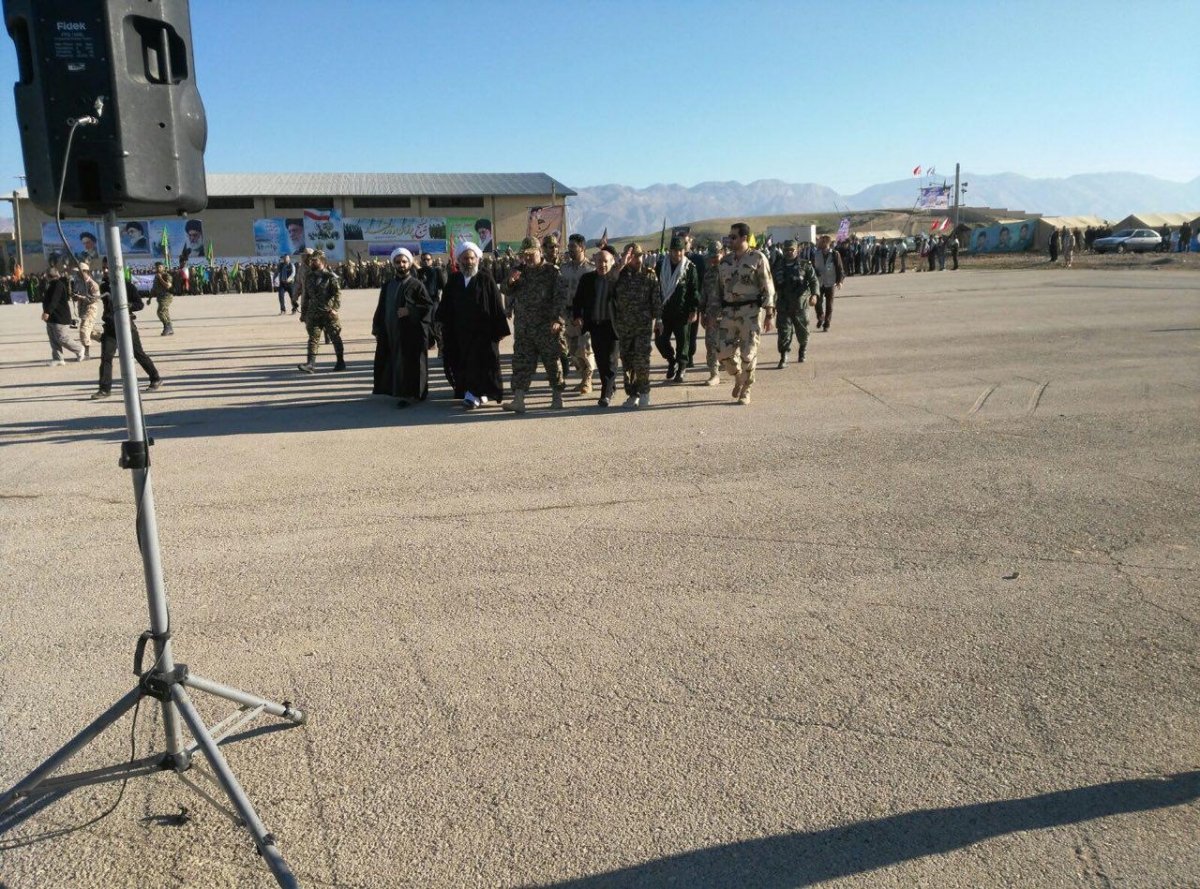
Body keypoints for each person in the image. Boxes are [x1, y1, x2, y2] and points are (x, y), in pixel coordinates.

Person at [437, 242, 510, 409]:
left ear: (477, 259)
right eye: (465, 258)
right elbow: (445, 303)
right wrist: (440, 321)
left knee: (482, 362)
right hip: (459, 332)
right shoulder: (454, 279)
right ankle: (472, 392)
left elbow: (496, 304)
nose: (469, 262)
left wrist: (500, 329)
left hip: (482, 333)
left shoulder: (486, 278)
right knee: (461, 362)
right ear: (459, 260)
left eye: (471, 258)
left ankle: (474, 395)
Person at [709, 223, 774, 405]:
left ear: (744, 238)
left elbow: (767, 286)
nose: (730, 240)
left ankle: (746, 389)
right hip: (729, 312)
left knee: (748, 354)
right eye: (729, 237)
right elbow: (717, 291)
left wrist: (769, 313)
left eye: (734, 237)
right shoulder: (725, 262)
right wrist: (712, 314)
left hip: (750, 312)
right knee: (722, 353)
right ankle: (738, 376)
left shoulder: (757, 258)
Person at [502, 237, 564, 414]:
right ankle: (518, 400)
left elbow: (560, 298)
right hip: (524, 328)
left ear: (540, 252)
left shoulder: (552, 272)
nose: (527, 258)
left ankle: (557, 397)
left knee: (552, 362)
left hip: (546, 327)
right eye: (525, 255)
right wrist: (510, 282)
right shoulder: (520, 271)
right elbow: (505, 290)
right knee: (521, 363)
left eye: (531, 254)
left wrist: (558, 320)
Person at [372, 247, 432, 407]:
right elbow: (381, 307)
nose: (401, 265)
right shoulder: (388, 285)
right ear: (394, 264)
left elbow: (428, 307)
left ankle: (412, 394)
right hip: (391, 331)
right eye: (398, 262)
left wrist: (410, 310)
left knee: (410, 363)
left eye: (404, 262)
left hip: (410, 333)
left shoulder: (416, 284)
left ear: (409, 263)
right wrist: (377, 328)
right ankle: (398, 390)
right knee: (393, 362)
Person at [91, 272, 162, 399]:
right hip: (110, 327)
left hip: (126, 326)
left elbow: (139, 305)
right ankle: (104, 389)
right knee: (106, 357)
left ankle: (155, 378)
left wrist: (128, 305)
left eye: (108, 268)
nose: (106, 271)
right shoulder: (104, 286)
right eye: (104, 268)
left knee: (138, 353)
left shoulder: (128, 286)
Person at [613, 242, 662, 408]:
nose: (637, 260)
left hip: (643, 326)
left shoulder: (649, 275)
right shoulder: (619, 274)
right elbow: (608, 281)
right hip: (624, 326)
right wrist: (622, 264)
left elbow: (656, 300)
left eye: (639, 256)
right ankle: (632, 394)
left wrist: (659, 320)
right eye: (633, 257)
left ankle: (645, 392)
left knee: (641, 360)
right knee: (627, 361)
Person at [572, 246, 620, 407]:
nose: (602, 265)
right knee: (601, 360)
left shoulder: (617, 280)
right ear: (595, 262)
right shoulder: (587, 279)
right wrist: (577, 316)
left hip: (613, 326)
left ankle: (605, 394)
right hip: (595, 326)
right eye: (599, 261)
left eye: (605, 261)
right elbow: (578, 299)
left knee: (611, 360)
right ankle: (611, 386)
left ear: (612, 262)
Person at [654, 236, 700, 382]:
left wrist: (693, 309)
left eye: (680, 250)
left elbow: (694, 290)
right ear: (670, 251)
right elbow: (655, 289)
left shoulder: (689, 268)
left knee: (683, 342)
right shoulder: (661, 266)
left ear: (684, 251)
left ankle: (681, 367)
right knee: (660, 340)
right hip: (664, 312)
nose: (677, 254)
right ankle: (671, 360)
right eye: (674, 250)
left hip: (682, 312)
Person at [555, 233, 595, 393]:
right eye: (569, 246)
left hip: (584, 315)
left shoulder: (591, 269)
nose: (570, 249)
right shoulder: (563, 269)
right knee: (572, 351)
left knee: (585, 348)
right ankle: (583, 377)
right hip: (567, 314)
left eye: (573, 246)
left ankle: (588, 381)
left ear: (582, 248)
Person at [771, 240, 818, 368]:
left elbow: (813, 280)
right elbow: (772, 287)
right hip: (783, 304)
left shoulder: (805, 265)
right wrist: (771, 305)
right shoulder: (777, 267)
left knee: (803, 332)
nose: (789, 252)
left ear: (797, 250)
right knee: (784, 332)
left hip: (800, 304)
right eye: (786, 250)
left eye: (791, 250)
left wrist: (814, 295)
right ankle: (784, 356)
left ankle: (803, 349)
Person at [297, 251, 346, 374]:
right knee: (313, 338)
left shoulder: (330, 277)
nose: (312, 262)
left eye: (315, 260)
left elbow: (337, 294)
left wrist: (335, 309)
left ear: (322, 261)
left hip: (328, 313)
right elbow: (306, 296)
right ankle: (310, 364)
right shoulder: (309, 276)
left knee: (335, 337)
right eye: (311, 260)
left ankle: (340, 362)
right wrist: (303, 313)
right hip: (313, 313)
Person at [41, 267, 85, 365]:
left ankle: (79, 349)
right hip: (52, 318)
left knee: (62, 338)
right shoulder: (51, 284)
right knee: (53, 339)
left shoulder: (58, 285)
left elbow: (54, 300)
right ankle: (58, 359)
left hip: (60, 317)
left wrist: (47, 312)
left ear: (48, 276)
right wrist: (46, 312)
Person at [810, 234, 844, 333]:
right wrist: (814, 272)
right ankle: (821, 316)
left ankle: (827, 324)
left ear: (828, 243)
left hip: (830, 282)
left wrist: (840, 281)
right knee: (817, 302)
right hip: (819, 282)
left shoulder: (835, 254)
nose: (821, 243)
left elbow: (840, 268)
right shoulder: (816, 254)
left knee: (829, 305)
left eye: (823, 241)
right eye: (821, 241)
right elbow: (811, 267)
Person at [416, 252, 445, 356]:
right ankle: (431, 343)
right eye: (424, 259)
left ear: (432, 261)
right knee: (424, 323)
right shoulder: (418, 272)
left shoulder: (437, 271)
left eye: (428, 259)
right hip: (422, 302)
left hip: (434, 301)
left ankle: (441, 346)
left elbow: (443, 286)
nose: (426, 261)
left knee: (434, 322)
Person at [72, 262, 103, 359]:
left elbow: (95, 299)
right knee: (91, 332)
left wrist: (81, 297)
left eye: (79, 272)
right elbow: (76, 293)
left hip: (91, 309)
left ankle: (86, 354)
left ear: (85, 272)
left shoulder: (92, 284)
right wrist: (75, 297)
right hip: (82, 309)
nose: (77, 274)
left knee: (84, 329)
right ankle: (107, 340)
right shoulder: (79, 283)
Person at [147, 261, 173, 335]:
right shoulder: (156, 277)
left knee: (160, 312)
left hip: (166, 296)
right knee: (165, 312)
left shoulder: (167, 276)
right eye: (157, 267)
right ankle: (170, 328)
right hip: (160, 297)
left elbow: (168, 286)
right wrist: (149, 299)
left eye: (160, 267)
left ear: (163, 268)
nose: (158, 269)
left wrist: (160, 278)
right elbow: (153, 289)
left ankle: (167, 327)